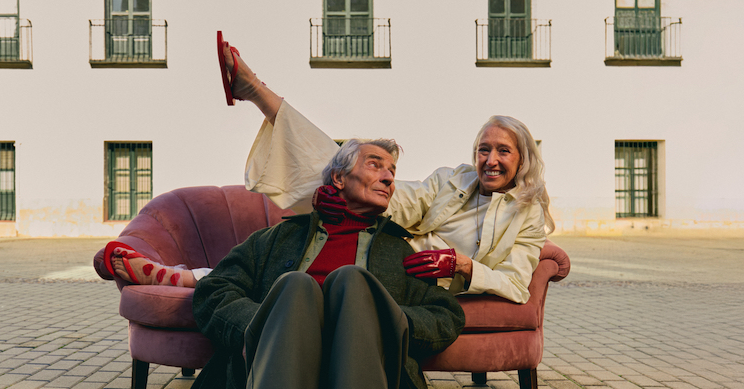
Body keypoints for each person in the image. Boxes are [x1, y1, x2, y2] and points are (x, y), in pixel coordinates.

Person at [78, 138, 564, 389]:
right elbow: (217, 290)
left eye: (393, 169)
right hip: (273, 367)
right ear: (338, 178)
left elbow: (443, 317)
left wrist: (383, 321)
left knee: (352, 284)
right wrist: (263, 325)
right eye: (376, 164)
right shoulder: (278, 239)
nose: (390, 176)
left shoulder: (401, 250)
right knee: (294, 287)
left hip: (369, 378)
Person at [217, 32, 554, 303]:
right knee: (343, 168)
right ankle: (257, 92)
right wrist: (348, 195)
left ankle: (255, 90)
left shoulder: (529, 215)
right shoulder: (453, 179)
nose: (490, 160)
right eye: (484, 150)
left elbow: (515, 285)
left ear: (522, 159)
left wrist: (463, 266)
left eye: (503, 152)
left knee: (338, 183)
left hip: (422, 287)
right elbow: (403, 199)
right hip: (389, 254)